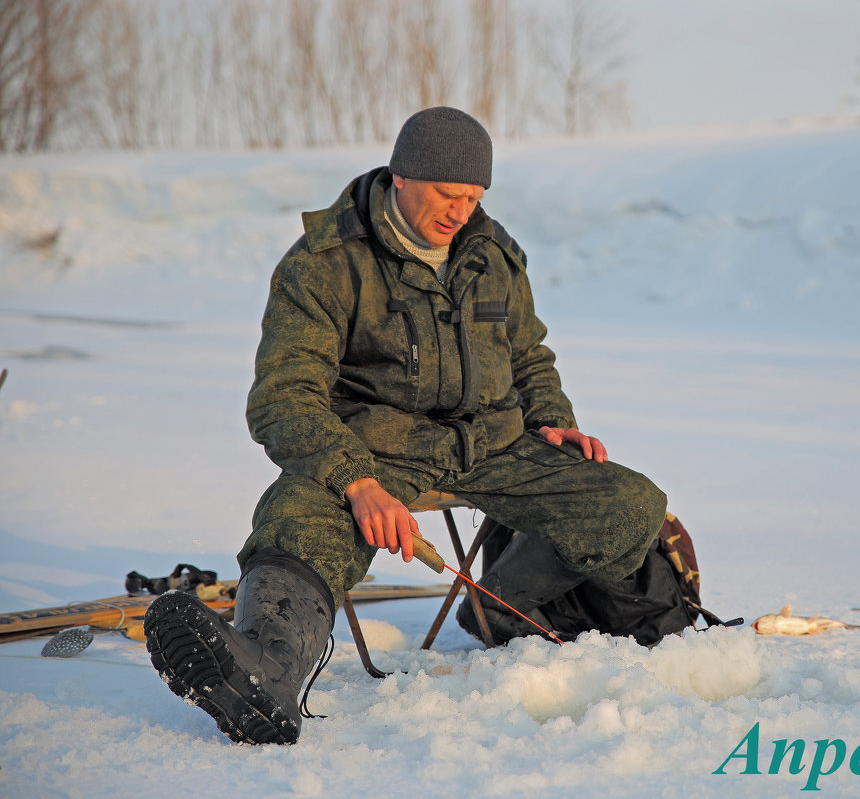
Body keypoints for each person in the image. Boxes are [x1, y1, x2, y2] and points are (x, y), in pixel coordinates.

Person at [143, 107, 692, 746]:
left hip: (495, 444)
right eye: (448, 194)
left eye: (474, 197)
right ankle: (264, 673)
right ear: (402, 177)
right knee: (297, 515)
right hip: (377, 450)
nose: (461, 211)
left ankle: (495, 607)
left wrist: (552, 422)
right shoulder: (325, 263)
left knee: (629, 502)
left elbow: (528, 355)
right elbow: (283, 397)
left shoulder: (493, 254)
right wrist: (355, 481)